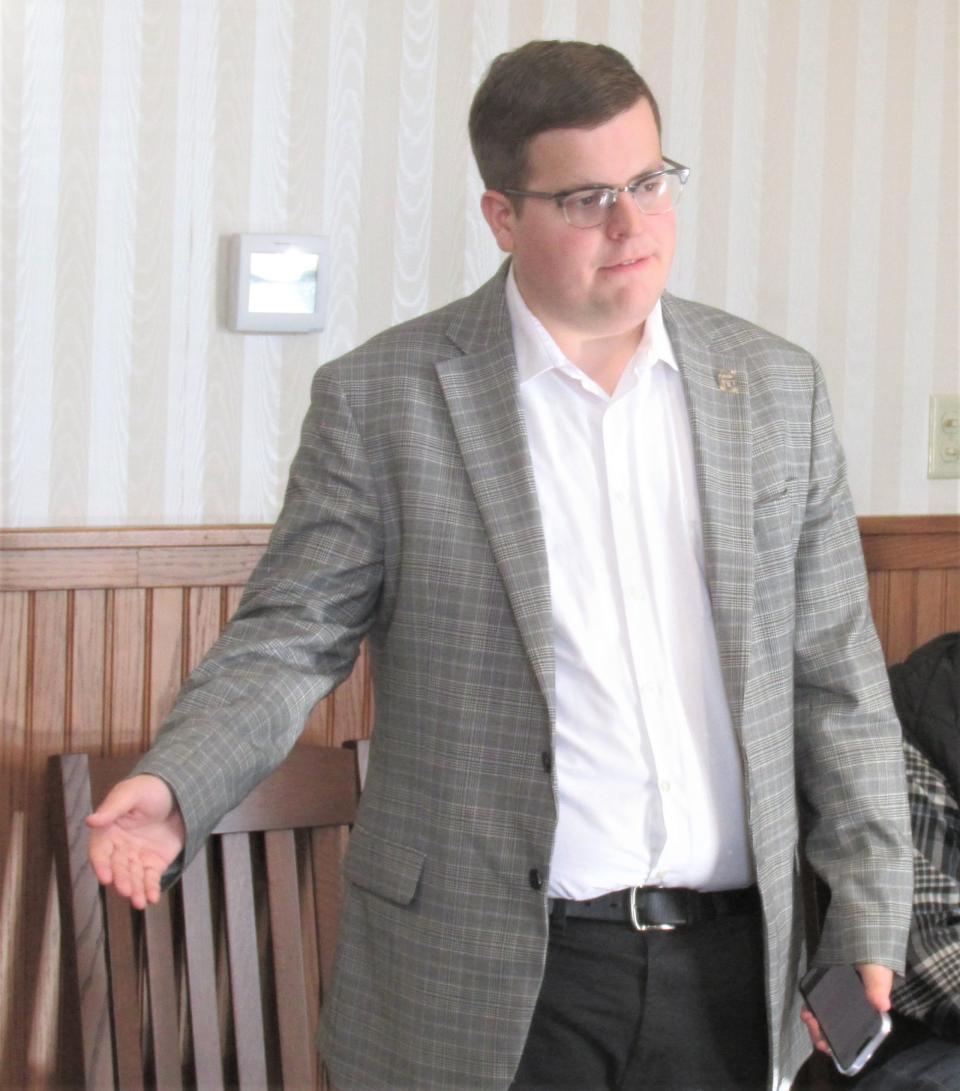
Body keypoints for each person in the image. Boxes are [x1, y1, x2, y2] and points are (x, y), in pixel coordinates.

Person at [87, 40, 913, 1090]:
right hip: (496, 978)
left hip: (731, 969)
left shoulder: (776, 388)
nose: (633, 226)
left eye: (651, 183)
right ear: (501, 215)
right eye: (586, 198)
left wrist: (871, 913)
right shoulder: (385, 399)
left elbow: (841, 682)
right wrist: (175, 780)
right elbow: (287, 640)